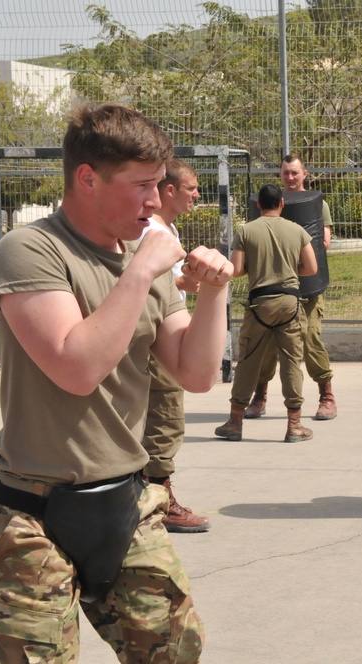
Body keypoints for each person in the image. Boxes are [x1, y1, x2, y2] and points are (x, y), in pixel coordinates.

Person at [0, 102, 233, 662]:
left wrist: (214, 291)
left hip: (128, 501)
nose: (155, 202)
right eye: (141, 186)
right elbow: (77, 368)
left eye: (160, 185)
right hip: (34, 512)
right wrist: (141, 270)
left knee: (174, 650)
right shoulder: (31, 250)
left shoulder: (147, 253)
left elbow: (196, 372)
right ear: (87, 178)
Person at [214, 183, 318, 443]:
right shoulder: (298, 231)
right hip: (290, 303)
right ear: (282, 203)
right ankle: (294, 425)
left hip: (260, 304)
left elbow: (236, 270)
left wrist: (257, 267)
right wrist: (289, 272)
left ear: (258, 204)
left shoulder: (246, 231)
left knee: (248, 362)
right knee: (292, 362)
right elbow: (312, 268)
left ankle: (235, 422)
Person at [140, 158, 211, 533]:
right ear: (170, 190)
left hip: (166, 330)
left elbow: (159, 284)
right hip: (157, 338)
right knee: (165, 418)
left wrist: (181, 285)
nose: (197, 195)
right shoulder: (151, 230)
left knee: (158, 417)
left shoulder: (164, 228)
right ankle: (159, 500)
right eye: (192, 188)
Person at [244, 153, 338, 421]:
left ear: (304, 174)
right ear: (280, 175)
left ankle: (326, 396)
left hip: (307, 288)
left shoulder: (317, 205)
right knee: (266, 343)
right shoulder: (270, 205)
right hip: (273, 288)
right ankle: (259, 397)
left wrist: (291, 261)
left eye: (295, 173)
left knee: (311, 341)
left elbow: (325, 243)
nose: (291, 177)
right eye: (286, 173)